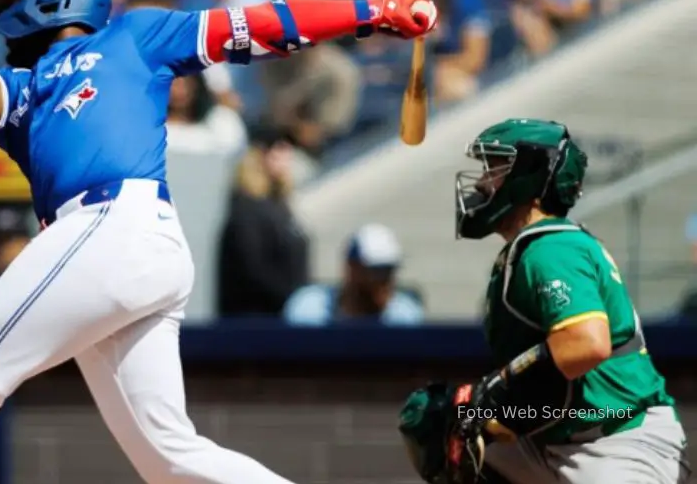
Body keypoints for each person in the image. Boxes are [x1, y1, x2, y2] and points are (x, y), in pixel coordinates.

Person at [0, 0, 436, 484]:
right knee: (169, 458)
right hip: (117, 250)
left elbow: (263, 23)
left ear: (55, 1)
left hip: (113, 226)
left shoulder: (131, 35)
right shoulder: (25, 90)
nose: (7, 13)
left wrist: (371, 12)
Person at [399, 119, 689, 484]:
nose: (481, 182)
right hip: (565, 437)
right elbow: (545, 384)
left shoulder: (550, 248)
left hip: (617, 439)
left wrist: (497, 386)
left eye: (495, 168)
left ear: (529, 176)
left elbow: (587, 343)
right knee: (440, 424)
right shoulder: (535, 247)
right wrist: (494, 416)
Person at [218, 125, 310, 317]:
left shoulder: (281, 205)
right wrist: (293, 298)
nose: (286, 156)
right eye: (278, 148)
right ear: (259, 155)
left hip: (284, 316)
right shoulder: (246, 209)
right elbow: (253, 270)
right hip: (255, 322)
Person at [283, 222, 423, 326]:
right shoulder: (308, 308)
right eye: (377, 271)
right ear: (351, 268)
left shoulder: (405, 315)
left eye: (390, 271)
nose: (385, 280)